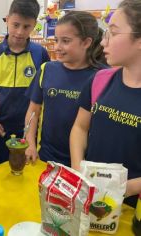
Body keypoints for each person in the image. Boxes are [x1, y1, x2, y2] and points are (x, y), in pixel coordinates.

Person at [70, 0, 141, 207]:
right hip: (90, 199)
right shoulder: (100, 80)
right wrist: (78, 171)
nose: (103, 42)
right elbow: (80, 127)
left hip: (132, 210)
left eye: (113, 33)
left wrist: (126, 188)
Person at [24, 11, 105, 167]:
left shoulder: (101, 77)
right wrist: (30, 144)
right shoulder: (46, 69)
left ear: (86, 42)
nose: (57, 47)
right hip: (46, 157)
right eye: (56, 40)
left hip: (83, 163)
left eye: (65, 41)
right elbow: (33, 110)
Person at [0, 0, 50, 164]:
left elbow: (42, 97)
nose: (19, 32)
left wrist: (32, 134)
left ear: (34, 25)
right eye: (15, 24)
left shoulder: (40, 54)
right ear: (7, 19)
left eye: (26, 27)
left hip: (28, 132)